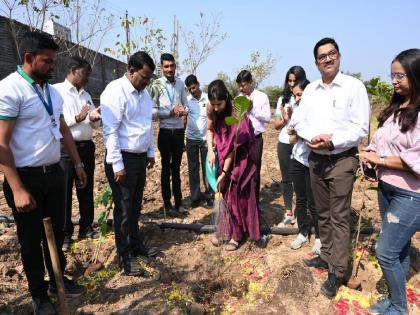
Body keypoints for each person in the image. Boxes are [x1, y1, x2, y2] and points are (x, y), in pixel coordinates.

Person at [0, 31, 87, 314]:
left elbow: (61, 128)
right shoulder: (10, 90)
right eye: (47, 61)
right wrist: (18, 189)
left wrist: (77, 163)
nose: (53, 67)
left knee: (57, 232)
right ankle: (39, 295)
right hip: (26, 178)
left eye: (54, 61)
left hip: (55, 173)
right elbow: (1, 144)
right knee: (31, 239)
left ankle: (57, 281)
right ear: (28, 58)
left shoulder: (50, 90)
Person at [294, 37, 370, 298]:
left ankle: (337, 271)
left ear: (339, 56)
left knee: (339, 216)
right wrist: (311, 138)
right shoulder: (312, 90)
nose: (327, 59)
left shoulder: (353, 87)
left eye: (332, 54)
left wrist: (332, 141)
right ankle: (326, 256)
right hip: (315, 158)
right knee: (322, 213)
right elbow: (299, 121)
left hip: (341, 159)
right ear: (316, 63)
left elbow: (360, 127)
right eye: (322, 56)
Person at [359, 49, 420, 315]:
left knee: (384, 251)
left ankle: (398, 307)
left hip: (411, 195)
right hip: (387, 189)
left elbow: (414, 160)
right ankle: (395, 298)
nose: (394, 81)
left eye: (400, 75)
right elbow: (381, 144)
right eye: (392, 75)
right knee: (399, 248)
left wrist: (379, 158)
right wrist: (369, 158)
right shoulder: (396, 108)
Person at [101, 51, 158, 277]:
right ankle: (125, 258)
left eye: (149, 79)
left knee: (135, 206)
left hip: (139, 157)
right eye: (143, 77)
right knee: (123, 210)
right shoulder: (115, 92)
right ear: (131, 70)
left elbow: (146, 126)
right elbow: (110, 131)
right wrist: (117, 165)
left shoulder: (144, 95)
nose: (146, 82)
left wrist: (150, 152)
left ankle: (136, 245)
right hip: (122, 158)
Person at [207, 79, 260, 251]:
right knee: (224, 195)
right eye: (213, 104)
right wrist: (209, 149)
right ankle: (224, 231)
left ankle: (237, 236)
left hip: (239, 159)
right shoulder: (212, 110)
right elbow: (209, 130)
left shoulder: (237, 113)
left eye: (219, 104)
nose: (216, 108)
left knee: (235, 195)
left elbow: (233, 147)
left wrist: (224, 172)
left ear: (227, 98)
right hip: (223, 157)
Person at [54, 56, 101, 251]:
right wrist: (78, 117)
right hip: (65, 149)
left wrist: (95, 118)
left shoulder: (86, 95)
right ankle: (65, 234)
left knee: (85, 188)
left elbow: (93, 124)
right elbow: (56, 122)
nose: (88, 77)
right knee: (64, 192)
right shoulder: (57, 92)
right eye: (85, 73)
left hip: (86, 147)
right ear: (73, 70)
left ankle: (86, 227)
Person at [287, 79, 321, 254]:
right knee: (300, 199)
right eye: (295, 95)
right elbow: (291, 140)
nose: (297, 98)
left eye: (300, 94)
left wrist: (303, 132)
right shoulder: (297, 113)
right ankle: (302, 232)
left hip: (313, 161)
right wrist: (297, 133)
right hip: (298, 159)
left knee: (314, 201)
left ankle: (320, 237)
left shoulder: (319, 112)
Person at [152, 53, 189, 215]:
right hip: (165, 132)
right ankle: (167, 204)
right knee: (166, 168)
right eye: (166, 66)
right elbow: (152, 112)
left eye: (172, 66)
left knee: (176, 169)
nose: (169, 69)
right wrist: (170, 112)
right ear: (161, 68)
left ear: (175, 66)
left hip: (179, 132)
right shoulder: (156, 84)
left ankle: (179, 203)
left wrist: (183, 111)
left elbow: (187, 106)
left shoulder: (181, 84)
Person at [274, 66, 307, 226]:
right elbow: (276, 125)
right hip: (284, 143)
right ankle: (289, 212)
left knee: (301, 179)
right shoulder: (282, 99)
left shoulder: (306, 97)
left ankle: (303, 213)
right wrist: (285, 119)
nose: (292, 84)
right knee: (286, 180)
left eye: (295, 81)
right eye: (289, 80)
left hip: (301, 144)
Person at [236, 70, 271, 204]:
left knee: (254, 173)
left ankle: (254, 203)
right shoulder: (238, 98)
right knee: (241, 171)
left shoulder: (262, 97)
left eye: (243, 85)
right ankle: (242, 202)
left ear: (250, 82)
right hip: (241, 140)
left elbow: (267, 118)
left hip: (255, 140)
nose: (241, 88)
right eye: (239, 85)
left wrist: (252, 109)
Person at [184, 74, 213, 208]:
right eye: (190, 89)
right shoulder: (187, 100)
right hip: (191, 139)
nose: (192, 91)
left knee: (208, 169)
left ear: (198, 84)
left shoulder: (208, 98)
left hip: (205, 140)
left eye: (194, 87)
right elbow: (184, 118)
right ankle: (195, 197)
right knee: (193, 169)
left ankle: (209, 196)